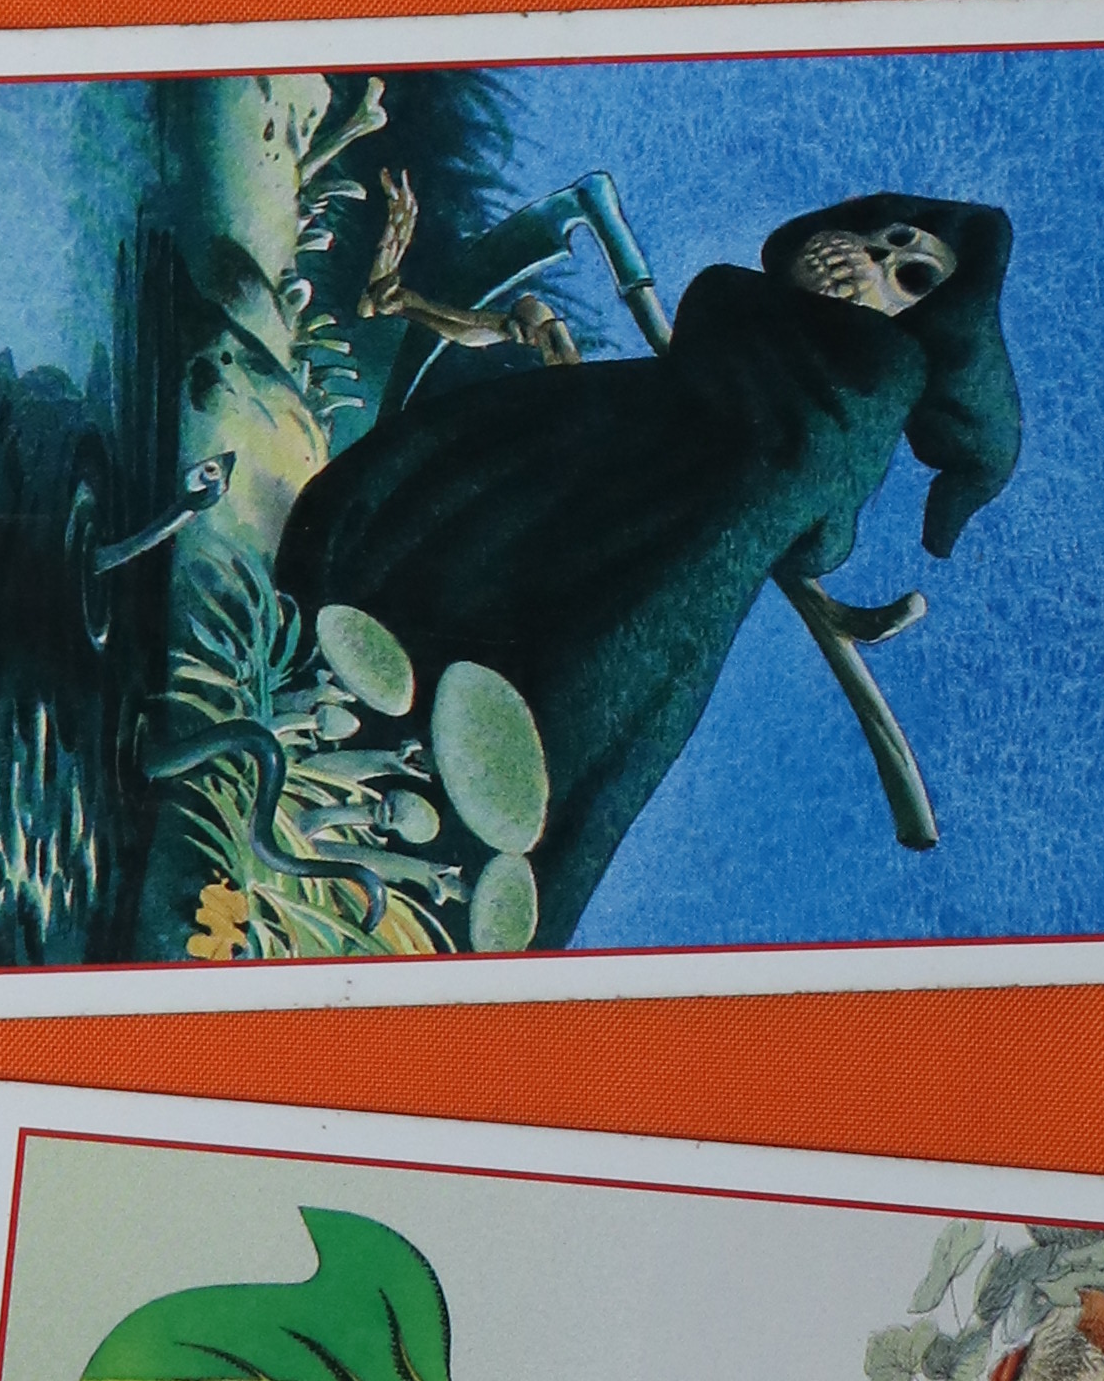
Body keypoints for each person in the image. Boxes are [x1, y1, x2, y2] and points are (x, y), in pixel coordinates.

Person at [272, 195, 1022, 942]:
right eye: (890, 238)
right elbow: (821, 540)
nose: (877, 259)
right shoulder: (760, 320)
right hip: (618, 516)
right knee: (492, 689)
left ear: (921, 315)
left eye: (910, 276)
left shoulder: (867, 378)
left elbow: (811, 502)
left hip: (645, 560)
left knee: (501, 697)